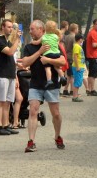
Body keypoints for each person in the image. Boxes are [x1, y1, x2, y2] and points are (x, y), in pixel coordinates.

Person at [21, 20, 66, 152]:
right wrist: (39, 51)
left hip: (51, 84)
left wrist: (48, 60)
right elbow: (25, 63)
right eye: (29, 29)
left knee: (56, 114)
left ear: (41, 30)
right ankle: (31, 141)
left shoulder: (53, 42)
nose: (30, 31)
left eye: (32, 29)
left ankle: (57, 136)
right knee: (33, 111)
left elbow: (62, 61)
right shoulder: (29, 47)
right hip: (35, 84)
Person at [0, 18, 21, 136]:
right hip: (1, 74)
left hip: (10, 74)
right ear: (3, 27)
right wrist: (17, 39)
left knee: (8, 102)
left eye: (12, 27)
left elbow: (12, 57)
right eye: (8, 27)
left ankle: (6, 124)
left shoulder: (7, 41)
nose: (11, 29)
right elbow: (10, 52)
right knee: (1, 101)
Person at [40, 20, 64, 89]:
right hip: (56, 53)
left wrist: (34, 42)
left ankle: (49, 80)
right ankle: (62, 77)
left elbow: (37, 42)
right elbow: (58, 41)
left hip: (48, 54)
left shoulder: (44, 37)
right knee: (57, 67)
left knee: (48, 68)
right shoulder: (56, 37)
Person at [85, 18, 97, 97]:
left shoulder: (93, 32)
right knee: (93, 74)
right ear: (94, 24)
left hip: (92, 55)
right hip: (93, 56)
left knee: (91, 73)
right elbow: (94, 45)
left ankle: (89, 89)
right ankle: (92, 90)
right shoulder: (94, 33)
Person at [60, 23, 78, 96]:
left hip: (66, 56)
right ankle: (71, 91)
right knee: (72, 75)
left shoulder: (66, 36)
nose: (78, 30)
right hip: (71, 57)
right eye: (77, 28)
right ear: (74, 29)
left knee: (68, 75)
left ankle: (66, 89)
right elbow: (75, 47)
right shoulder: (74, 37)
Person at [70, 34, 86, 102]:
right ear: (80, 39)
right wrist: (77, 66)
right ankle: (75, 96)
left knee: (78, 82)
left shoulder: (78, 46)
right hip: (78, 66)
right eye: (82, 39)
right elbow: (75, 57)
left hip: (80, 66)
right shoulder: (76, 46)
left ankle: (75, 96)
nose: (83, 40)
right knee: (77, 82)